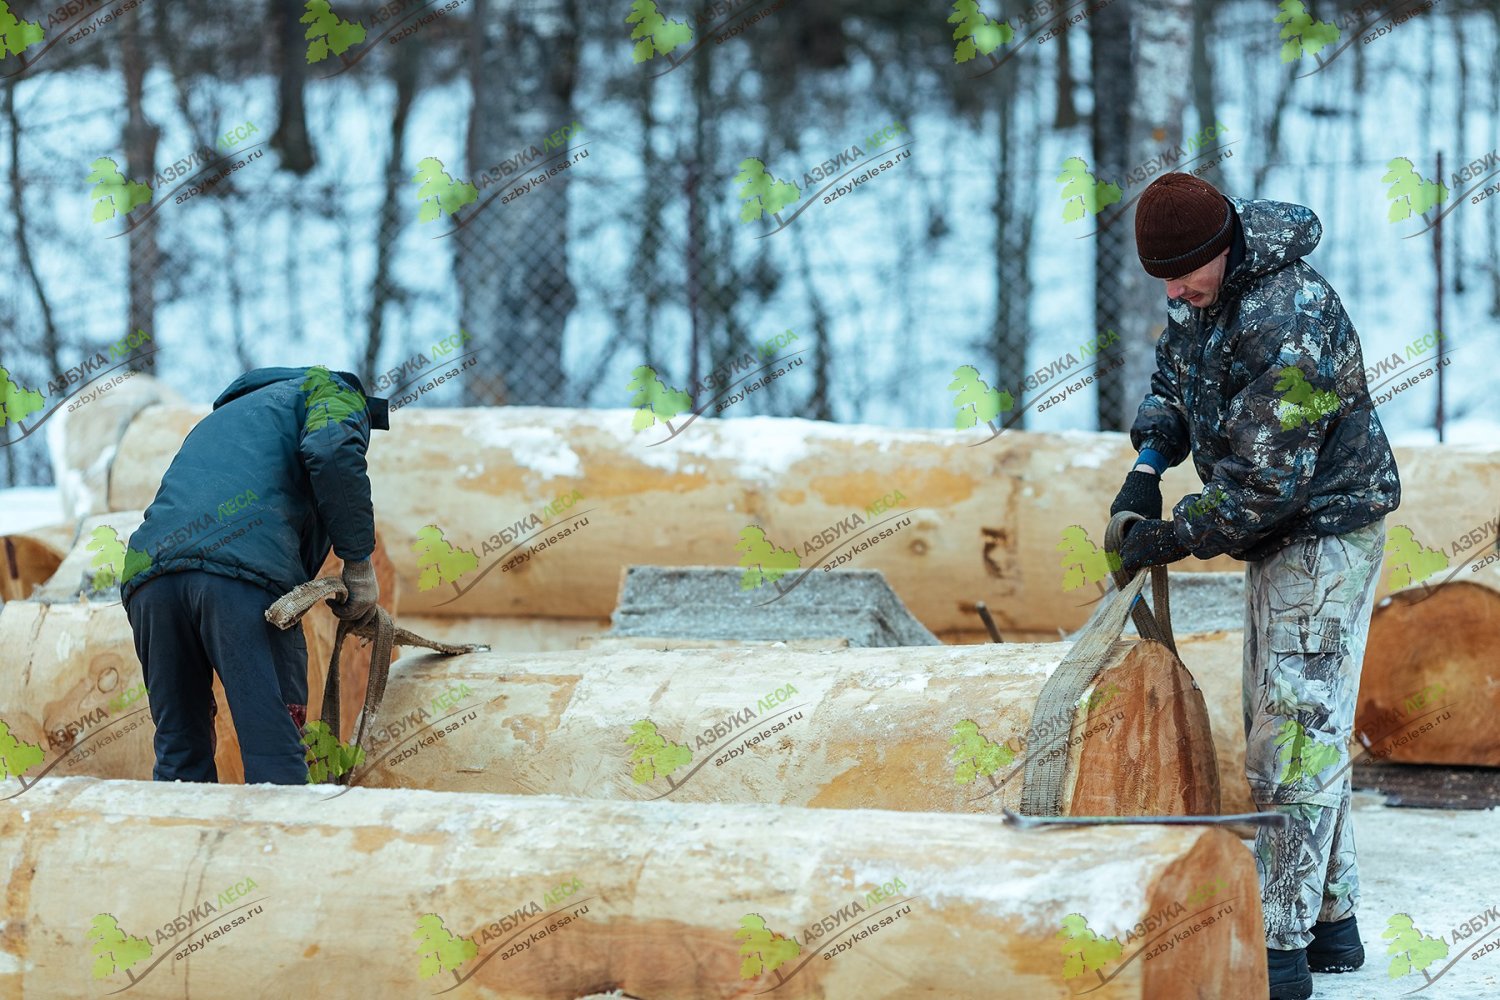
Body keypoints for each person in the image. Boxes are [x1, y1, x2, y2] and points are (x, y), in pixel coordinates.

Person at [1108, 173, 1400, 1000]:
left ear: (1223, 247)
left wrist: (1173, 536)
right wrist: (1147, 468)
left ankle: (1279, 953)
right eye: (1160, 277)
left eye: (1183, 275)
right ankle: (1331, 922)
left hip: (1326, 529)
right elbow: (1172, 383)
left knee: (1292, 741)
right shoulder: (1202, 296)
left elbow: (1265, 484)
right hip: (1278, 530)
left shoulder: (1290, 319)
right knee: (1289, 719)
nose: (1173, 292)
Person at [121, 366, 389, 785]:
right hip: (240, 580)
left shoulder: (222, 417)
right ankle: (281, 850)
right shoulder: (330, 390)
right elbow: (331, 447)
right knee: (274, 754)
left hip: (148, 581)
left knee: (179, 758)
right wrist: (357, 562)